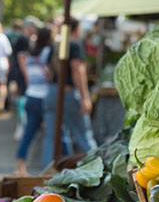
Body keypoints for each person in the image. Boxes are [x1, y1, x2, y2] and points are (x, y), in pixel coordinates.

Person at [42, 17, 97, 168]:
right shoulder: (74, 44)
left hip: (52, 92)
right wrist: (85, 97)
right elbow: (77, 70)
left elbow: (48, 71)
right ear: (77, 28)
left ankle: (46, 175)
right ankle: (99, 168)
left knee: (51, 138)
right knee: (83, 135)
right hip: (68, 92)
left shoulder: (55, 45)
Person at [14, 27, 53, 176]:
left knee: (28, 134)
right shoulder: (47, 53)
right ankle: (49, 168)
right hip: (44, 97)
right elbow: (49, 75)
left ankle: (19, 167)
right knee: (51, 135)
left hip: (31, 95)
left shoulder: (30, 55)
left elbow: (28, 76)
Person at [12, 17, 39, 140]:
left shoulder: (25, 38)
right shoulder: (23, 39)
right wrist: (27, 75)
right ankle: (22, 126)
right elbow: (21, 58)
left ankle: (23, 125)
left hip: (22, 74)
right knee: (22, 99)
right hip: (22, 75)